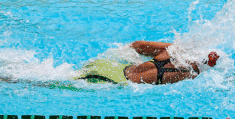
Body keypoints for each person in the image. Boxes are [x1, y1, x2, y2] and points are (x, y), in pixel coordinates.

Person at [76, 41, 219, 85]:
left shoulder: (174, 50)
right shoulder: (191, 74)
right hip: (111, 80)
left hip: (109, 67)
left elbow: (138, 45)